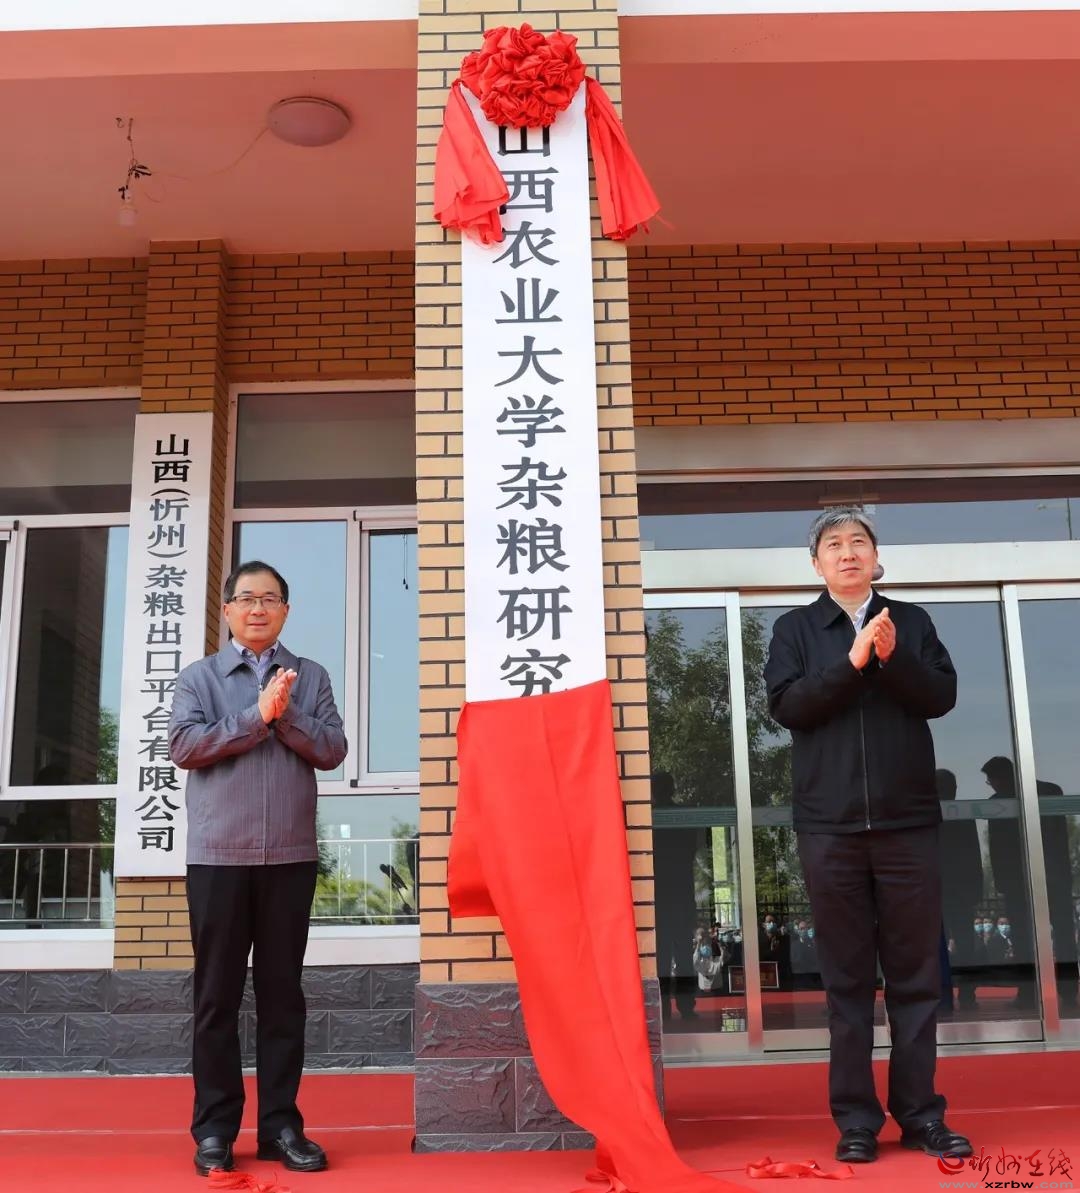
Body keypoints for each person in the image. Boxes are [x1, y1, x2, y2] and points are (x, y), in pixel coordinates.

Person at [764, 506, 971, 1164]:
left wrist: (892, 658)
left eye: (859, 541)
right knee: (847, 983)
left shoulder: (911, 621)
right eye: (834, 544)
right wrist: (853, 664)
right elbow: (788, 707)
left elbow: (940, 696)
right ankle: (856, 1119)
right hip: (830, 827)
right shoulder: (795, 629)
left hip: (908, 823)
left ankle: (920, 1114)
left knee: (916, 979)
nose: (847, 552)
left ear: (876, 558)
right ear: (816, 563)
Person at [169, 561, 348, 1177]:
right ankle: (215, 1130)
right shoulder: (199, 678)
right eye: (246, 598)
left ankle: (280, 1127)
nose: (257, 608)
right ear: (227, 611)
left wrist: (285, 712)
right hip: (218, 859)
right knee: (215, 998)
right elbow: (185, 747)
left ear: (285, 611)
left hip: (290, 859)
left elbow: (332, 750)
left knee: (282, 998)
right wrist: (255, 718)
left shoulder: (311, 676)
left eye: (270, 599)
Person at [936, 769, 984, 1009]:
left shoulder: (927, 815)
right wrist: (977, 888)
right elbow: (974, 854)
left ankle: (943, 994)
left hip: (937, 890)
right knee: (965, 943)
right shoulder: (963, 815)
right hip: (959, 891)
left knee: (938, 944)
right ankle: (967, 994)